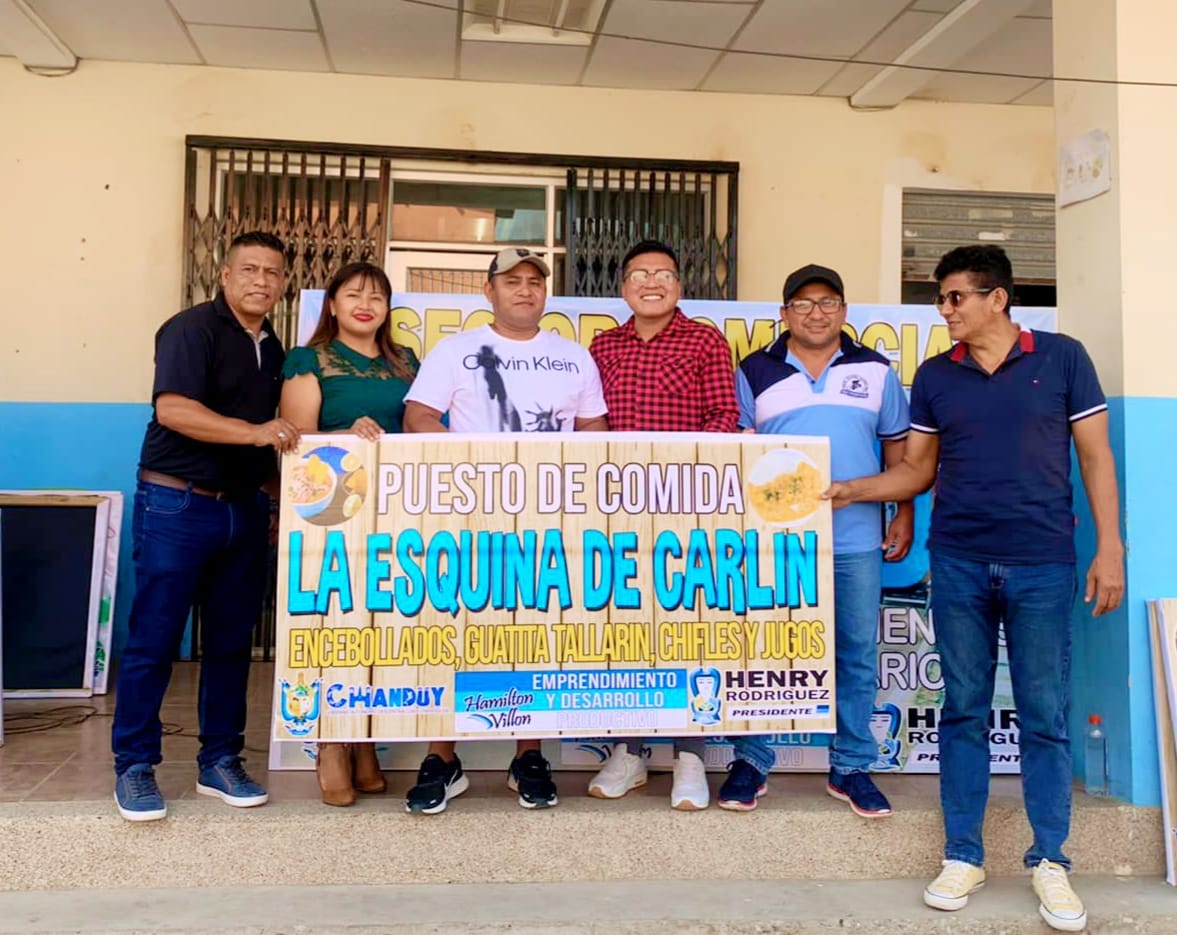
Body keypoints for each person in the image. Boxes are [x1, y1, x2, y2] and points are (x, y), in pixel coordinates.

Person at [825, 245, 1124, 932]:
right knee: (962, 709)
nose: (945, 309)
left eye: (955, 296)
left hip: (1042, 563)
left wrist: (1110, 548)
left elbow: (1095, 457)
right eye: (940, 298)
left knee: (1044, 714)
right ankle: (963, 854)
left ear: (998, 298)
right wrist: (850, 490)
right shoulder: (936, 375)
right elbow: (917, 471)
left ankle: (1050, 860)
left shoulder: (1063, 359)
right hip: (957, 562)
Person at [401, 246, 609, 813]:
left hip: (550, 517)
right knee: (453, 628)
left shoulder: (573, 356)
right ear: (488, 290)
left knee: (535, 631)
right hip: (467, 515)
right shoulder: (456, 350)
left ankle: (528, 756)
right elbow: (419, 416)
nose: (524, 289)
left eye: (534, 281)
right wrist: (473, 466)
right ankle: (442, 757)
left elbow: (594, 426)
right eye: (512, 280)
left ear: (546, 292)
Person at [112, 231, 298, 821]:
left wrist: (282, 501)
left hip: (245, 511)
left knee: (231, 644)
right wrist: (255, 434)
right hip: (177, 505)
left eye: (273, 272)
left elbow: (276, 437)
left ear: (284, 283)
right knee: (154, 640)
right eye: (250, 269)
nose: (261, 280)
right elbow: (173, 409)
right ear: (224, 274)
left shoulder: (273, 347)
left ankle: (220, 761)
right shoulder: (191, 329)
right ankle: (134, 765)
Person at [726, 263, 913, 817]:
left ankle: (851, 764)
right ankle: (752, 759)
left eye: (828, 302)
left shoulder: (875, 370)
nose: (816, 313)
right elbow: (739, 452)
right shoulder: (755, 370)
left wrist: (902, 512)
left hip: (856, 537)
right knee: (763, 647)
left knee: (855, 651)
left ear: (844, 311)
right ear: (784, 313)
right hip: (776, 540)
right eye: (803, 303)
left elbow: (898, 451)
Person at [585, 239, 739, 810]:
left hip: (686, 505)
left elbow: (725, 416)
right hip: (616, 508)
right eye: (640, 274)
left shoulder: (705, 341)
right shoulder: (603, 346)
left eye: (663, 274)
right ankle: (628, 752)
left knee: (686, 626)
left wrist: (679, 468)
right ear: (623, 285)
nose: (652, 282)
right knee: (624, 626)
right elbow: (589, 422)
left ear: (679, 284)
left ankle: (689, 756)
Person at [279, 260, 420, 807]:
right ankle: (330, 741)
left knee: (377, 624)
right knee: (331, 622)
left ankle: (363, 736)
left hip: (396, 511)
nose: (366, 305)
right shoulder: (308, 359)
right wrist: (345, 434)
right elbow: (296, 439)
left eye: (377, 297)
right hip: (330, 513)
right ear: (333, 304)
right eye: (354, 294)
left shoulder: (406, 361)